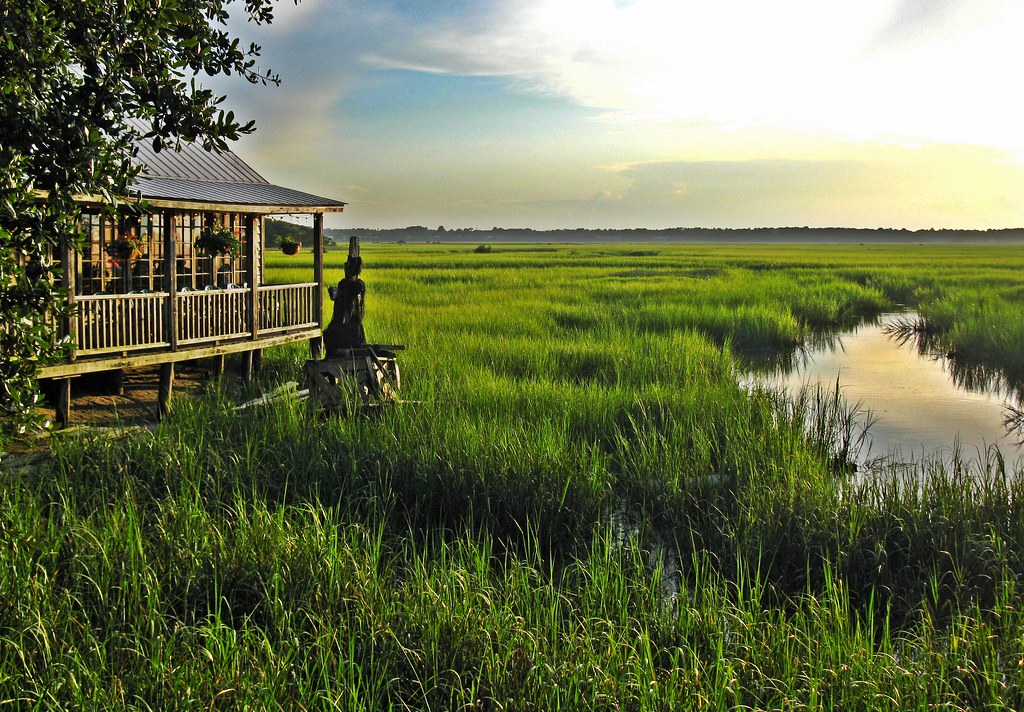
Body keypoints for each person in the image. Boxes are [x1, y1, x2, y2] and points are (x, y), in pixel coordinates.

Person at [323, 236, 366, 354]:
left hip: (349, 322)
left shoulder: (356, 285)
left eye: (347, 265)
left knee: (333, 334)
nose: (345, 267)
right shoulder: (344, 284)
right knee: (330, 332)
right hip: (345, 321)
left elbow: (351, 307)